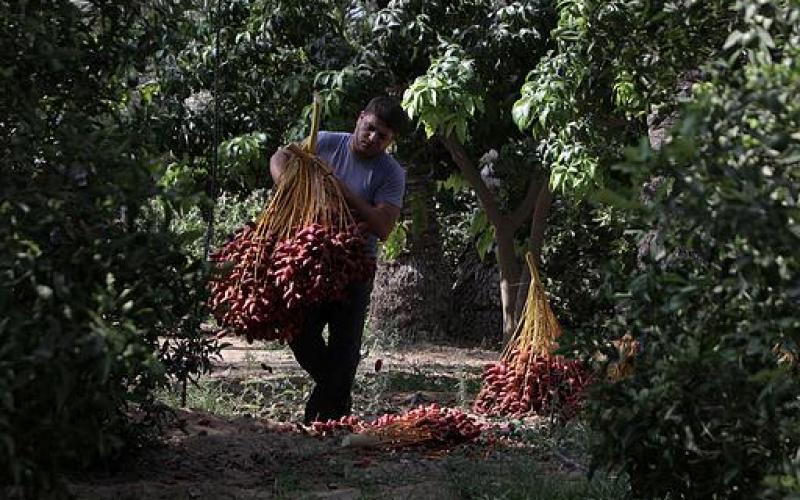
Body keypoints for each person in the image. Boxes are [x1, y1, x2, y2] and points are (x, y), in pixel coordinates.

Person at [269, 96, 408, 423]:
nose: (372, 138)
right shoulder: (326, 141)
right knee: (299, 334)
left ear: (391, 142)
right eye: (370, 128)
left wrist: (340, 188)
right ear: (360, 118)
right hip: (311, 259)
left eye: (382, 136)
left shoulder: (391, 174)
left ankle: (325, 419)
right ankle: (335, 402)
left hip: (353, 267)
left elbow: (383, 227)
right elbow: (281, 156)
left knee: (345, 350)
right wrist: (287, 186)